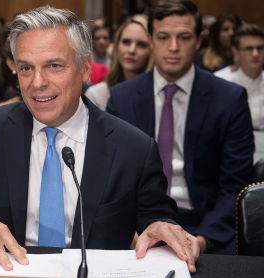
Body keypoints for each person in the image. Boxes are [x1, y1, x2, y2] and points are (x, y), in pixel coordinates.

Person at [0, 6, 199, 273]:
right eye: (26, 68)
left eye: (54, 66)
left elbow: (158, 219)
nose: (37, 82)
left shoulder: (132, 147)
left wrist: (162, 228)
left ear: (85, 68)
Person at [107, 0, 254, 255]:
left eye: (184, 38)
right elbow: (110, 178)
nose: (173, 47)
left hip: (206, 223)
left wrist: (202, 239)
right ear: (151, 40)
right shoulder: (122, 97)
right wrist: (127, 231)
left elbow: (236, 186)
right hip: (139, 225)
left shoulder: (230, 99)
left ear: (199, 41)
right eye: (164, 37)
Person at [85, 14, 154, 111]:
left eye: (141, 44)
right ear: (117, 45)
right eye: (126, 42)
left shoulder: (160, 95)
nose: (131, 50)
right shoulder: (97, 95)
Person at [220, 24, 264, 127]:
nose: (255, 54)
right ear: (235, 52)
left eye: (260, 48)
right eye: (248, 48)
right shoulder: (221, 82)